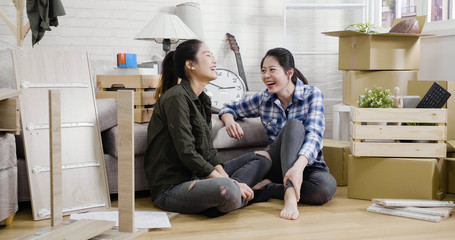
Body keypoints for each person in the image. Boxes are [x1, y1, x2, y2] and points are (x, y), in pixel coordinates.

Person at [144, 39, 271, 217]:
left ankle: (224, 199)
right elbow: (187, 152)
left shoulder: (204, 99)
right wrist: (232, 183)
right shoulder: (176, 98)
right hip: (172, 188)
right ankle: (250, 193)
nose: (214, 60)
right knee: (229, 190)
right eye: (208, 55)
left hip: (199, 178)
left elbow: (208, 150)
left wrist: (228, 178)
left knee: (263, 158)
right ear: (190, 65)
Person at [219, 47, 337, 220]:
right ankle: (289, 194)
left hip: (307, 165)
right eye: (263, 71)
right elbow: (228, 108)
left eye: (272, 70)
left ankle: (270, 189)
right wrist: (229, 120)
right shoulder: (263, 99)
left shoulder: (312, 94)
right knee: (294, 125)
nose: (266, 75)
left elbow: (315, 135)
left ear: (289, 73)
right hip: (276, 164)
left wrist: (297, 169)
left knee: (325, 189)